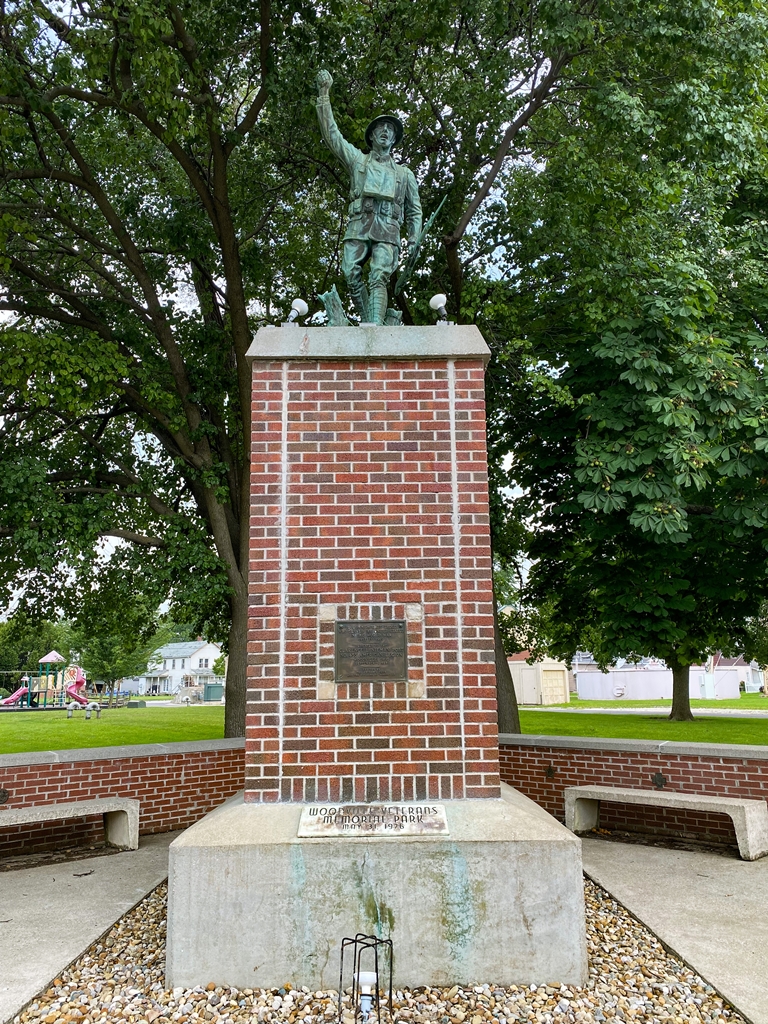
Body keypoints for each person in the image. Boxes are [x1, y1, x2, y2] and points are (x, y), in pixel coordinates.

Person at [315, 69, 422, 325]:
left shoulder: (405, 174)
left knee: (378, 275)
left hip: (389, 229)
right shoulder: (358, 161)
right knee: (349, 272)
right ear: (371, 136)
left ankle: (374, 327)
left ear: (394, 138)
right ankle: (369, 323)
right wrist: (324, 94)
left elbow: (414, 211)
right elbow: (332, 137)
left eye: (390, 129)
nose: (385, 131)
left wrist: (414, 237)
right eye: (380, 128)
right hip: (359, 224)